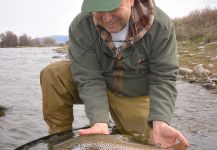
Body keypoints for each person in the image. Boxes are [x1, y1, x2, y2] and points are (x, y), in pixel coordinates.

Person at [40, 0, 189, 148]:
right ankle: (59, 142)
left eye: (113, 8)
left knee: (146, 143)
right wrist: (99, 121)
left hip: (133, 95)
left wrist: (160, 121)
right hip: (97, 86)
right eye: (98, 10)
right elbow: (88, 78)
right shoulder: (81, 26)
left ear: (131, 1)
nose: (107, 19)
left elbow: (163, 78)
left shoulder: (160, 25)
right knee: (54, 74)